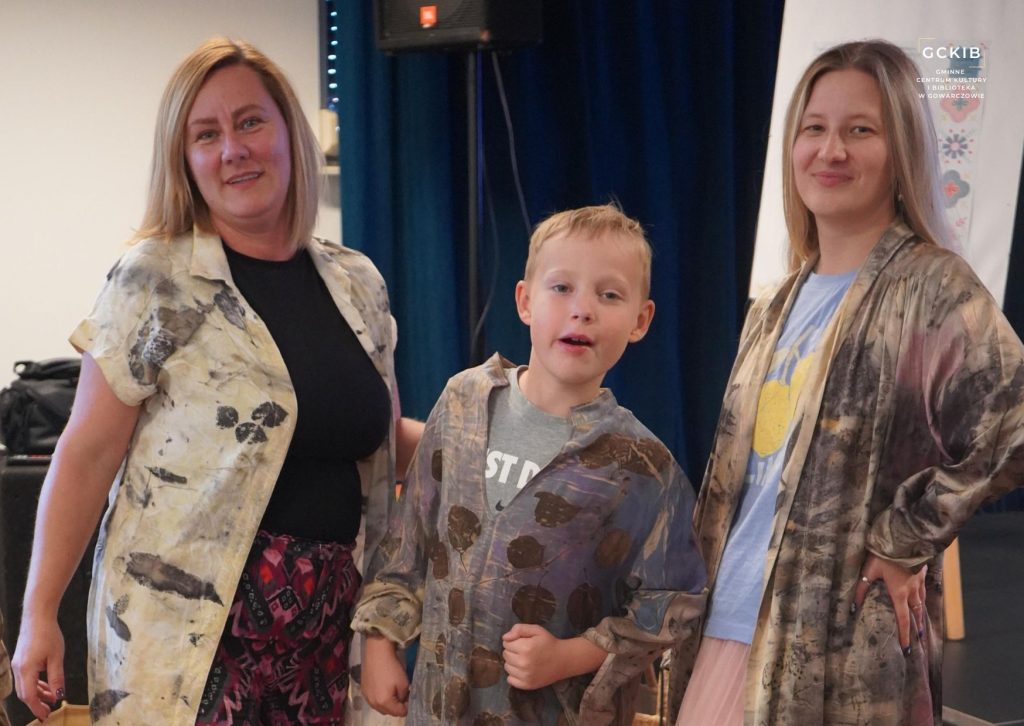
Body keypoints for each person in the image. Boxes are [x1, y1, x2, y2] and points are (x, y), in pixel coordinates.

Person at [12, 37, 422, 725]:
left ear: (288, 131)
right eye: (207, 134)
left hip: (325, 636)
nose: (233, 148)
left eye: (250, 121)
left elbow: (378, 439)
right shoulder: (155, 278)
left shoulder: (358, 283)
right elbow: (86, 453)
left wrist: (493, 434)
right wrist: (38, 612)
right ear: (185, 161)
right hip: (184, 640)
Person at [670, 40, 1024, 725]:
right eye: (815, 128)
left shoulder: (931, 286)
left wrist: (905, 537)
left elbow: (1014, 424)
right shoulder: (774, 306)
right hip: (728, 634)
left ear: (902, 151)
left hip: (838, 661)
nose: (831, 150)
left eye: (860, 130)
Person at [351, 204, 708, 724]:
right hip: (437, 708)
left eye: (609, 295)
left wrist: (571, 655)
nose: (582, 310)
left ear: (640, 320)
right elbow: (410, 541)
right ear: (524, 300)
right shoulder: (463, 402)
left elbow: (674, 604)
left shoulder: (641, 466)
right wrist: (380, 642)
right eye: (561, 288)